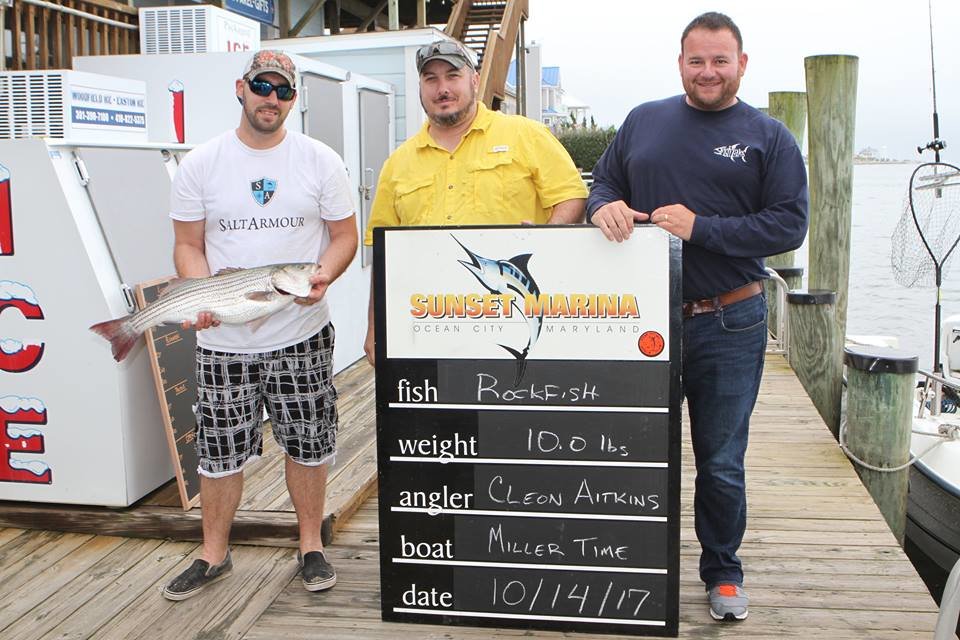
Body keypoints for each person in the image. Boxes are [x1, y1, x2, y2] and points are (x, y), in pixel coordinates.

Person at [587, 12, 808, 622]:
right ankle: (621, 564)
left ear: (742, 63)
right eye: (696, 60)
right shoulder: (643, 120)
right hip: (642, 323)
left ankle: (724, 571)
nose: (707, 71)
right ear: (679, 62)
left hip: (730, 323)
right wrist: (604, 209)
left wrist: (701, 228)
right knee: (630, 450)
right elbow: (604, 184)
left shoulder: (770, 136)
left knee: (719, 460)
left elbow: (790, 224)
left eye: (719, 60)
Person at [163, 50, 358, 600]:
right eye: (262, 86)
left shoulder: (321, 160)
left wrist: (321, 277)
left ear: (293, 100)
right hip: (222, 338)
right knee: (219, 448)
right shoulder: (200, 164)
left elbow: (345, 236)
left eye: (283, 91)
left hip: (301, 333)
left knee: (309, 440)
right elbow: (187, 244)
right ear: (241, 88)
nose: (272, 98)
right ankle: (213, 554)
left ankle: (311, 545)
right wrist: (200, 294)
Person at [362, 39, 588, 365]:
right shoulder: (398, 163)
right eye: (431, 79)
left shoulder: (525, 134)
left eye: (452, 75)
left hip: (517, 317)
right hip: (431, 326)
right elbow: (383, 257)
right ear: (421, 88)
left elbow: (572, 196)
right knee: (441, 416)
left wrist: (548, 234)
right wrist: (374, 326)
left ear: (474, 80)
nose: (443, 88)